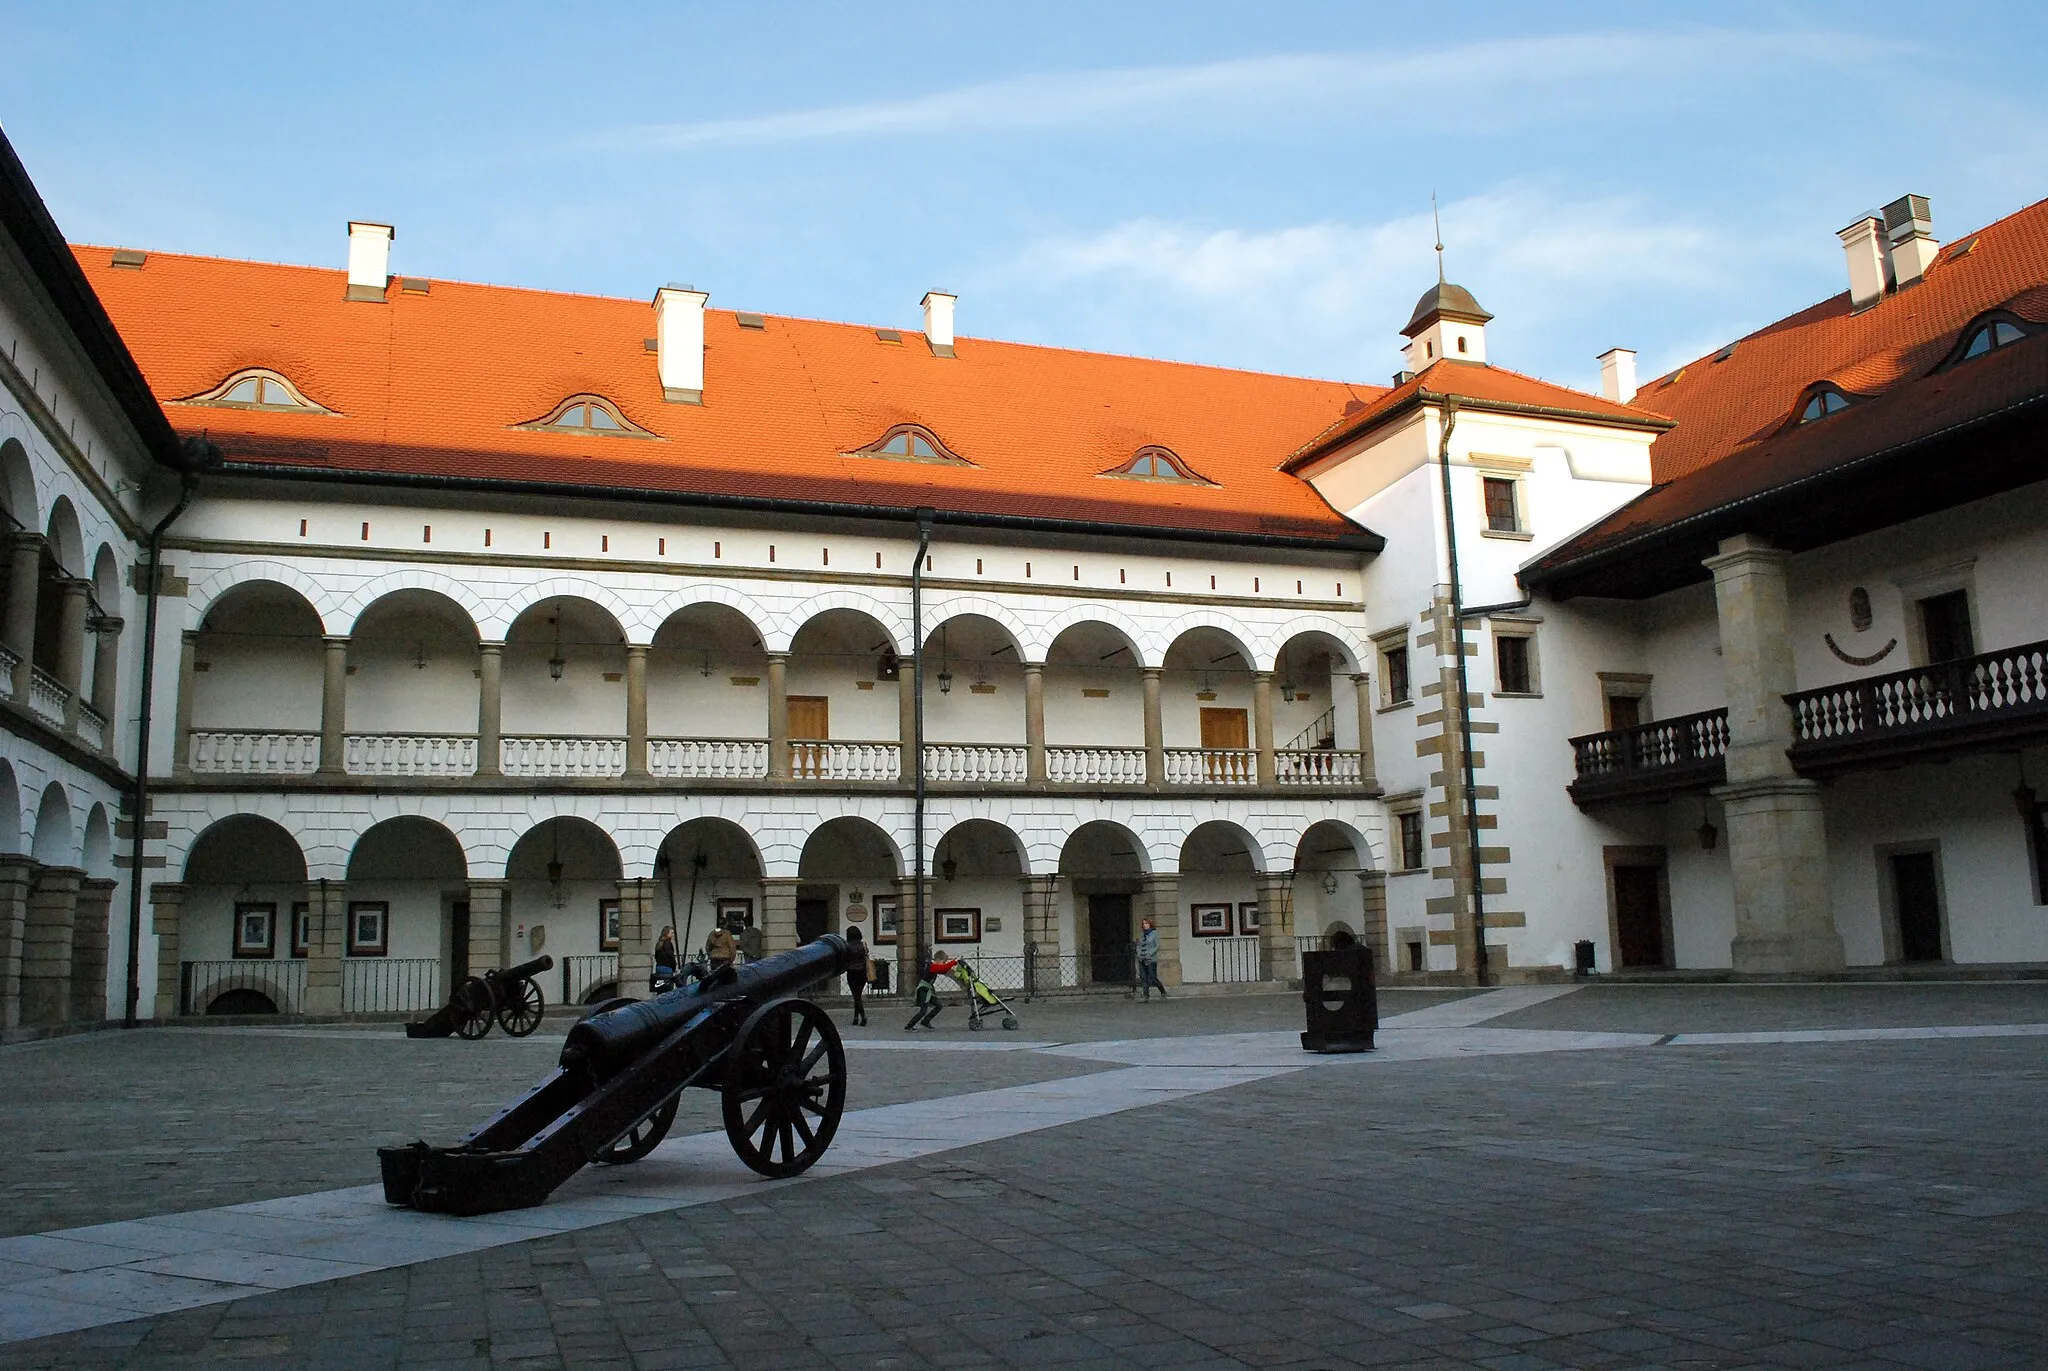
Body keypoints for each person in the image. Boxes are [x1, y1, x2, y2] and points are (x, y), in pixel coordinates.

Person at [905, 951, 955, 1030]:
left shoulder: (933, 966)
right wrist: (954, 961)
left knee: (938, 1005)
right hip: (923, 990)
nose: (943, 963)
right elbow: (943, 968)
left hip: (928, 989)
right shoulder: (932, 966)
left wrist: (953, 963)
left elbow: (944, 969)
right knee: (923, 1011)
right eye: (943, 962)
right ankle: (909, 1026)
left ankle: (926, 1021)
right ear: (939, 959)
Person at [844, 925, 872, 1026]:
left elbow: (845, 959)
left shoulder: (846, 945)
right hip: (862, 972)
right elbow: (866, 954)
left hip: (852, 972)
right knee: (858, 995)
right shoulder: (863, 944)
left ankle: (863, 1016)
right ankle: (856, 1017)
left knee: (856, 996)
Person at [1136, 918, 1167, 1001]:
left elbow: (1157, 946)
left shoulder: (1154, 934)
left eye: (1146, 923)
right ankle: (1146, 996)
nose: (1144, 925)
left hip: (1151, 959)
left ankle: (1163, 991)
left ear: (1150, 924)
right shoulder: (1142, 934)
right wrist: (1138, 953)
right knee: (1143, 978)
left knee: (1153, 978)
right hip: (1141, 958)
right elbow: (1139, 945)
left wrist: (1150, 953)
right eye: (1143, 924)